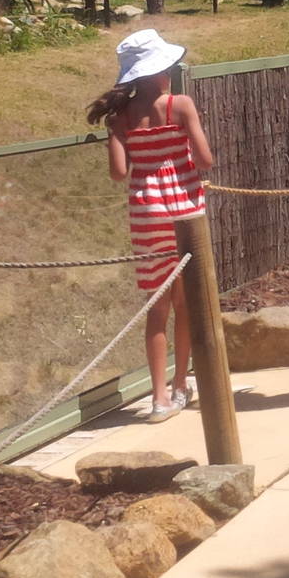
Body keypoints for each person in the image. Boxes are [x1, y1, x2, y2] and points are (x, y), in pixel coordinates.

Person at [87, 29, 215, 423]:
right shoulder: (180, 105)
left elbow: (118, 173)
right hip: (186, 213)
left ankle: (158, 398)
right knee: (186, 302)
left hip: (147, 216)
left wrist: (116, 134)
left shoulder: (121, 118)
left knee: (156, 309)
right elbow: (206, 160)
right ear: (159, 71)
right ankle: (181, 384)